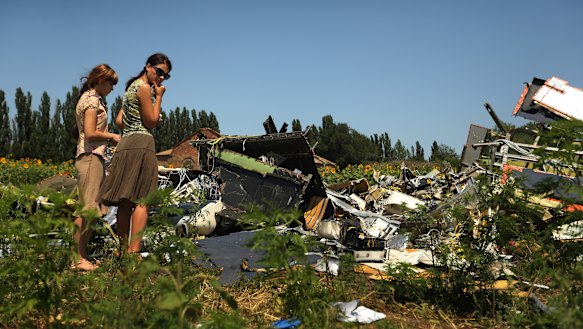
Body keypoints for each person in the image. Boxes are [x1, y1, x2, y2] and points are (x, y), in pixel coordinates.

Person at [100, 53, 172, 255]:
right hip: (142, 143)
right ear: (148, 66)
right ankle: (133, 253)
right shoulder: (143, 88)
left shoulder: (130, 88)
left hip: (125, 144)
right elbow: (151, 121)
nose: (161, 78)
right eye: (159, 72)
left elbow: (119, 121)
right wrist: (158, 98)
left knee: (125, 201)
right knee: (142, 199)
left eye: (165, 76)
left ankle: (122, 251)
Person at [73, 64, 121, 271]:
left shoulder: (88, 98)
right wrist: (112, 137)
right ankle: (77, 258)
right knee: (86, 210)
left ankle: (83, 255)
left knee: (91, 209)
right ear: (101, 80)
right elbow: (90, 133)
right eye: (111, 83)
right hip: (91, 157)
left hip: (93, 157)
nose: (112, 88)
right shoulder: (92, 102)